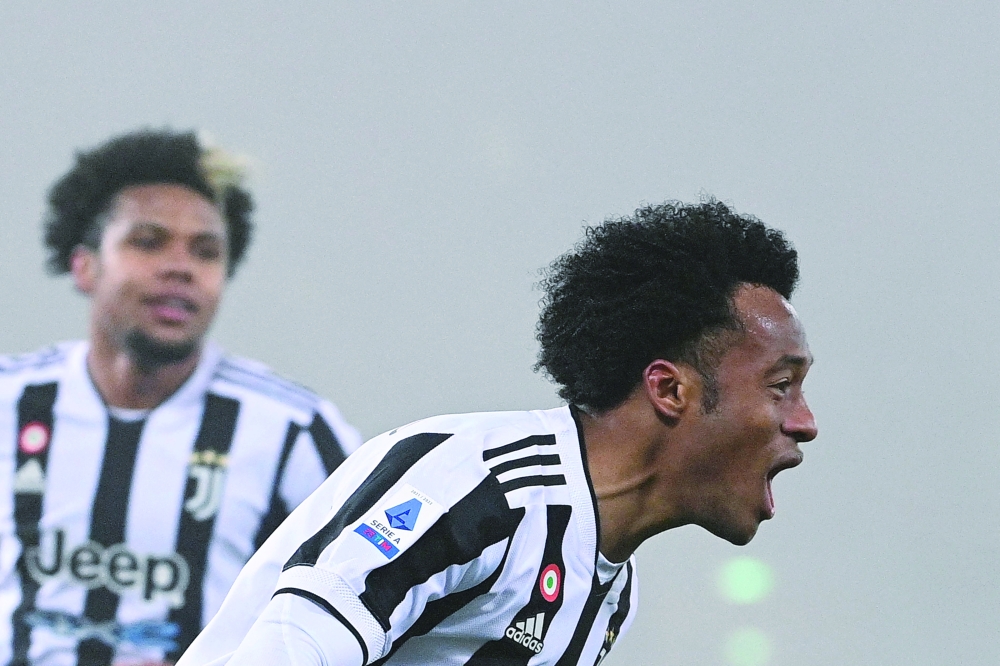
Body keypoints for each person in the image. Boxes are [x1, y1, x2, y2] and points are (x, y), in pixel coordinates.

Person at [177, 200, 819, 666]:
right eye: (779, 385)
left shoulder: (606, 589)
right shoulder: (483, 485)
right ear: (670, 390)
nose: (805, 422)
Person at [0, 129, 363, 666]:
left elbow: (364, 605)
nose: (182, 266)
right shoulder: (10, 402)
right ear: (84, 264)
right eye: (148, 241)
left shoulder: (293, 433)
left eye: (207, 251)